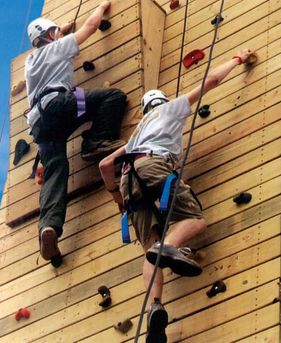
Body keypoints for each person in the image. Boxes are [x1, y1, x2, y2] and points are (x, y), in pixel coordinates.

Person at [99, 49, 253, 342]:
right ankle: (169, 246)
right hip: (154, 164)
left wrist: (120, 203)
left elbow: (106, 166)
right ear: (162, 103)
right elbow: (210, 82)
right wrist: (236, 59)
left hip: (127, 179)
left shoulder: (136, 135)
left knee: (150, 247)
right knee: (195, 221)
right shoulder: (168, 111)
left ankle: (156, 307)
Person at [25, 1, 127, 267]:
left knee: (55, 169)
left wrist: (61, 29)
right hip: (62, 105)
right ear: (51, 36)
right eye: (55, 33)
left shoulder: (30, 61)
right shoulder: (60, 47)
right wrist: (101, 7)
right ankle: (96, 141)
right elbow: (90, 27)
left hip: (40, 125)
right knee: (111, 97)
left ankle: (49, 227)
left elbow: (58, 36)